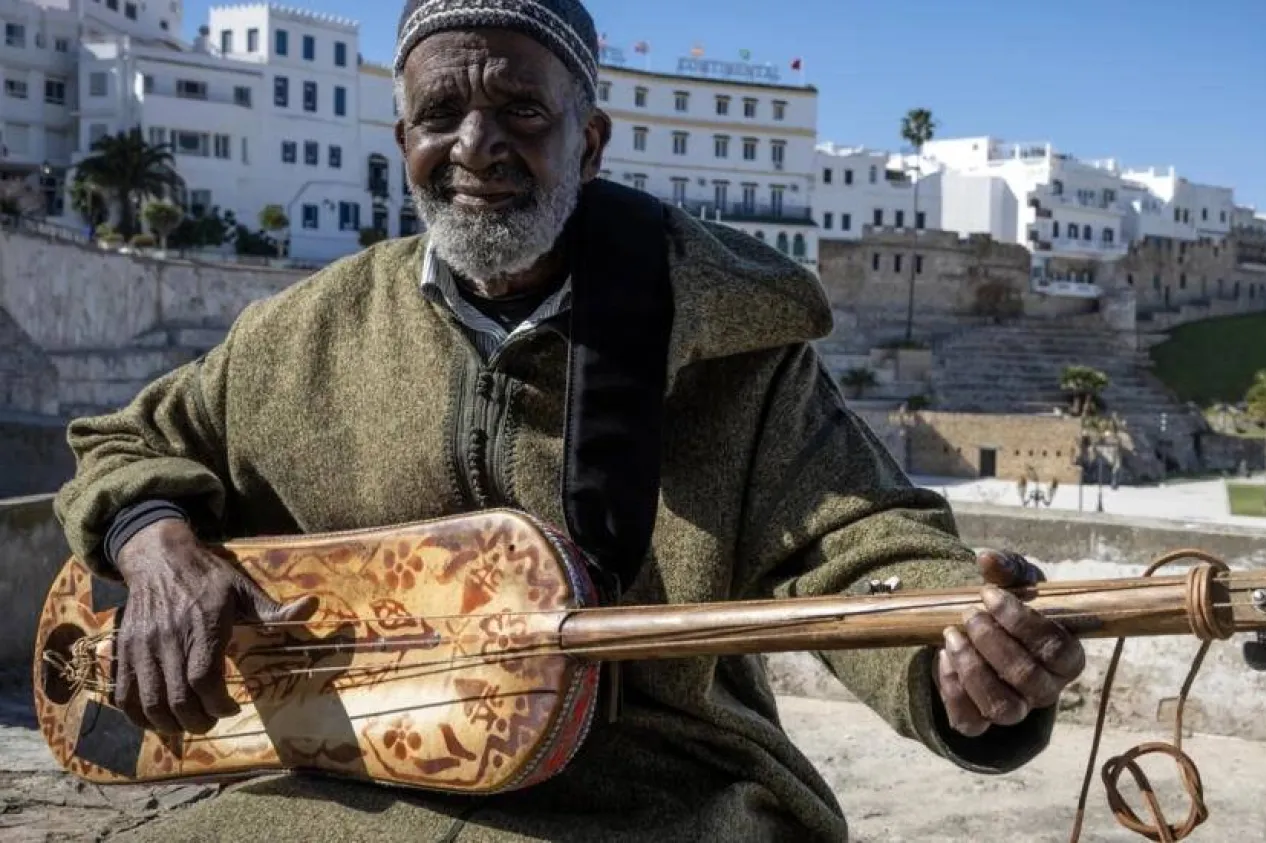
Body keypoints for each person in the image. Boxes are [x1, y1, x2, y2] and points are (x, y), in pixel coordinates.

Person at [53, 1, 1085, 840]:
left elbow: (862, 545)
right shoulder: (299, 335)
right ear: (402, 137)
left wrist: (956, 661)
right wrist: (156, 546)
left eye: (521, 110)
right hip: (347, 779)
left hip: (655, 792)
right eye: (441, 112)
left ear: (589, 141)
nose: (477, 145)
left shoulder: (724, 341)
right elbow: (125, 443)